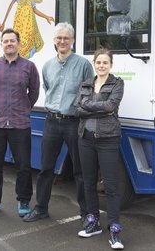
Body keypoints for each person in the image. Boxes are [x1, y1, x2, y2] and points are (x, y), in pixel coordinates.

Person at [23, 22, 93, 223]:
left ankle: (86, 213)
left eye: (66, 38)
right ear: (54, 41)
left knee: (80, 171)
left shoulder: (83, 65)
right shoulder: (47, 66)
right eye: (59, 38)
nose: (62, 41)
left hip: (74, 123)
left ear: (72, 41)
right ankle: (41, 208)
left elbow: (88, 94)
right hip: (52, 122)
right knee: (45, 169)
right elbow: (48, 90)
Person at [0, 28, 40, 216]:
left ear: (19, 44)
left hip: (20, 124)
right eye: (6, 41)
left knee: (23, 165)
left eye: (12, 41)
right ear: (2, 44)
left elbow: (34, 92)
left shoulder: (29, 67)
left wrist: (23, 107)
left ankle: (23, 201)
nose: (9, 44)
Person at [74, 48, 125, 250]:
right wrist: (95, 106)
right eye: (98, 62)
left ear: (110, 65)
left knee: (111, 188)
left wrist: (88, 105)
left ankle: (114, 230)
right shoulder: (86, 84)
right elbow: (76, 109)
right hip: (85, 139)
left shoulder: (117, 83)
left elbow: (111, 106)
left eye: (105, 62)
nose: (101, 65)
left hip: (108, 139)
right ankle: (93, 221)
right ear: (94, 64)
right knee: (88, 183)